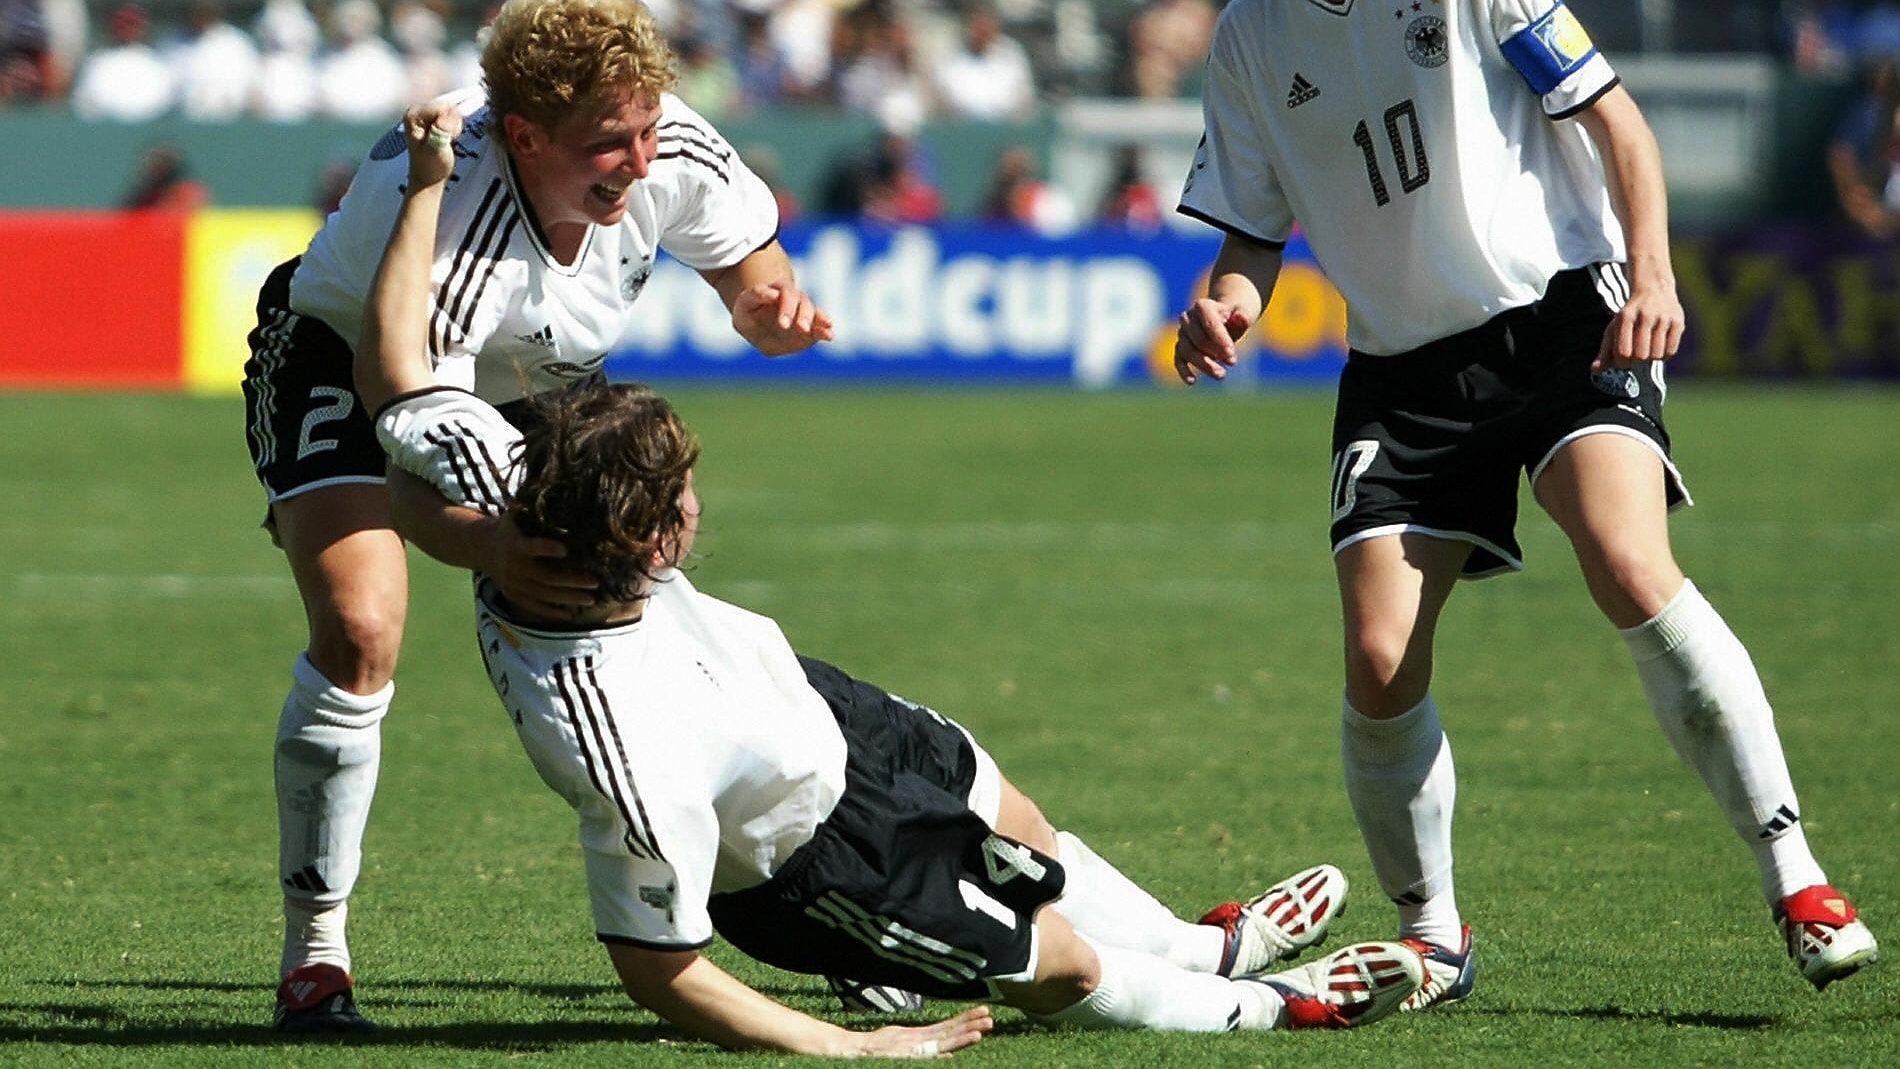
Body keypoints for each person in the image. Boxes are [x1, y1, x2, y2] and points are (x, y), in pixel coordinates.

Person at [352, 115, 1428, 1047]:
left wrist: (427, 186)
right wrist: (849, 1048)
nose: (695, 501)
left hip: (807, 704)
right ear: (646, 548)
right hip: (807, 860)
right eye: (680, 496)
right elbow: (656, 963)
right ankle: (1271, 1008)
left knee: (1017, 823)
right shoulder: (623, 740)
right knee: (1062, 967)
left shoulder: (525, 485)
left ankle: (1212, 944)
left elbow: (400, 393)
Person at [1172, 0, 1879, 1010]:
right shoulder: (1248, 34)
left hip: (1561, 314)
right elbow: (1252, 233)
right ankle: (1432, 941)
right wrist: (1227, 307)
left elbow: (1618, 125)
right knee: (1378, 659)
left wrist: (1652, 274)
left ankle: (1798, 879)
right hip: (1400, 371)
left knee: (1626, 560)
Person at [239, 0, 832, 1034]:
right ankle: (315, 952)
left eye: (648, 129)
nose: (641, 161)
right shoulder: (450, 219)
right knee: (362, 627)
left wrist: (768, 311)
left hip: (540, 377)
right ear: (523, 136)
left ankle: (827, 916)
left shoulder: (670, 144)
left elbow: (758, 270)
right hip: (359, 362)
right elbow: (414, 437)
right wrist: (488, 542)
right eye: (609, 144)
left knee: (650, 616)